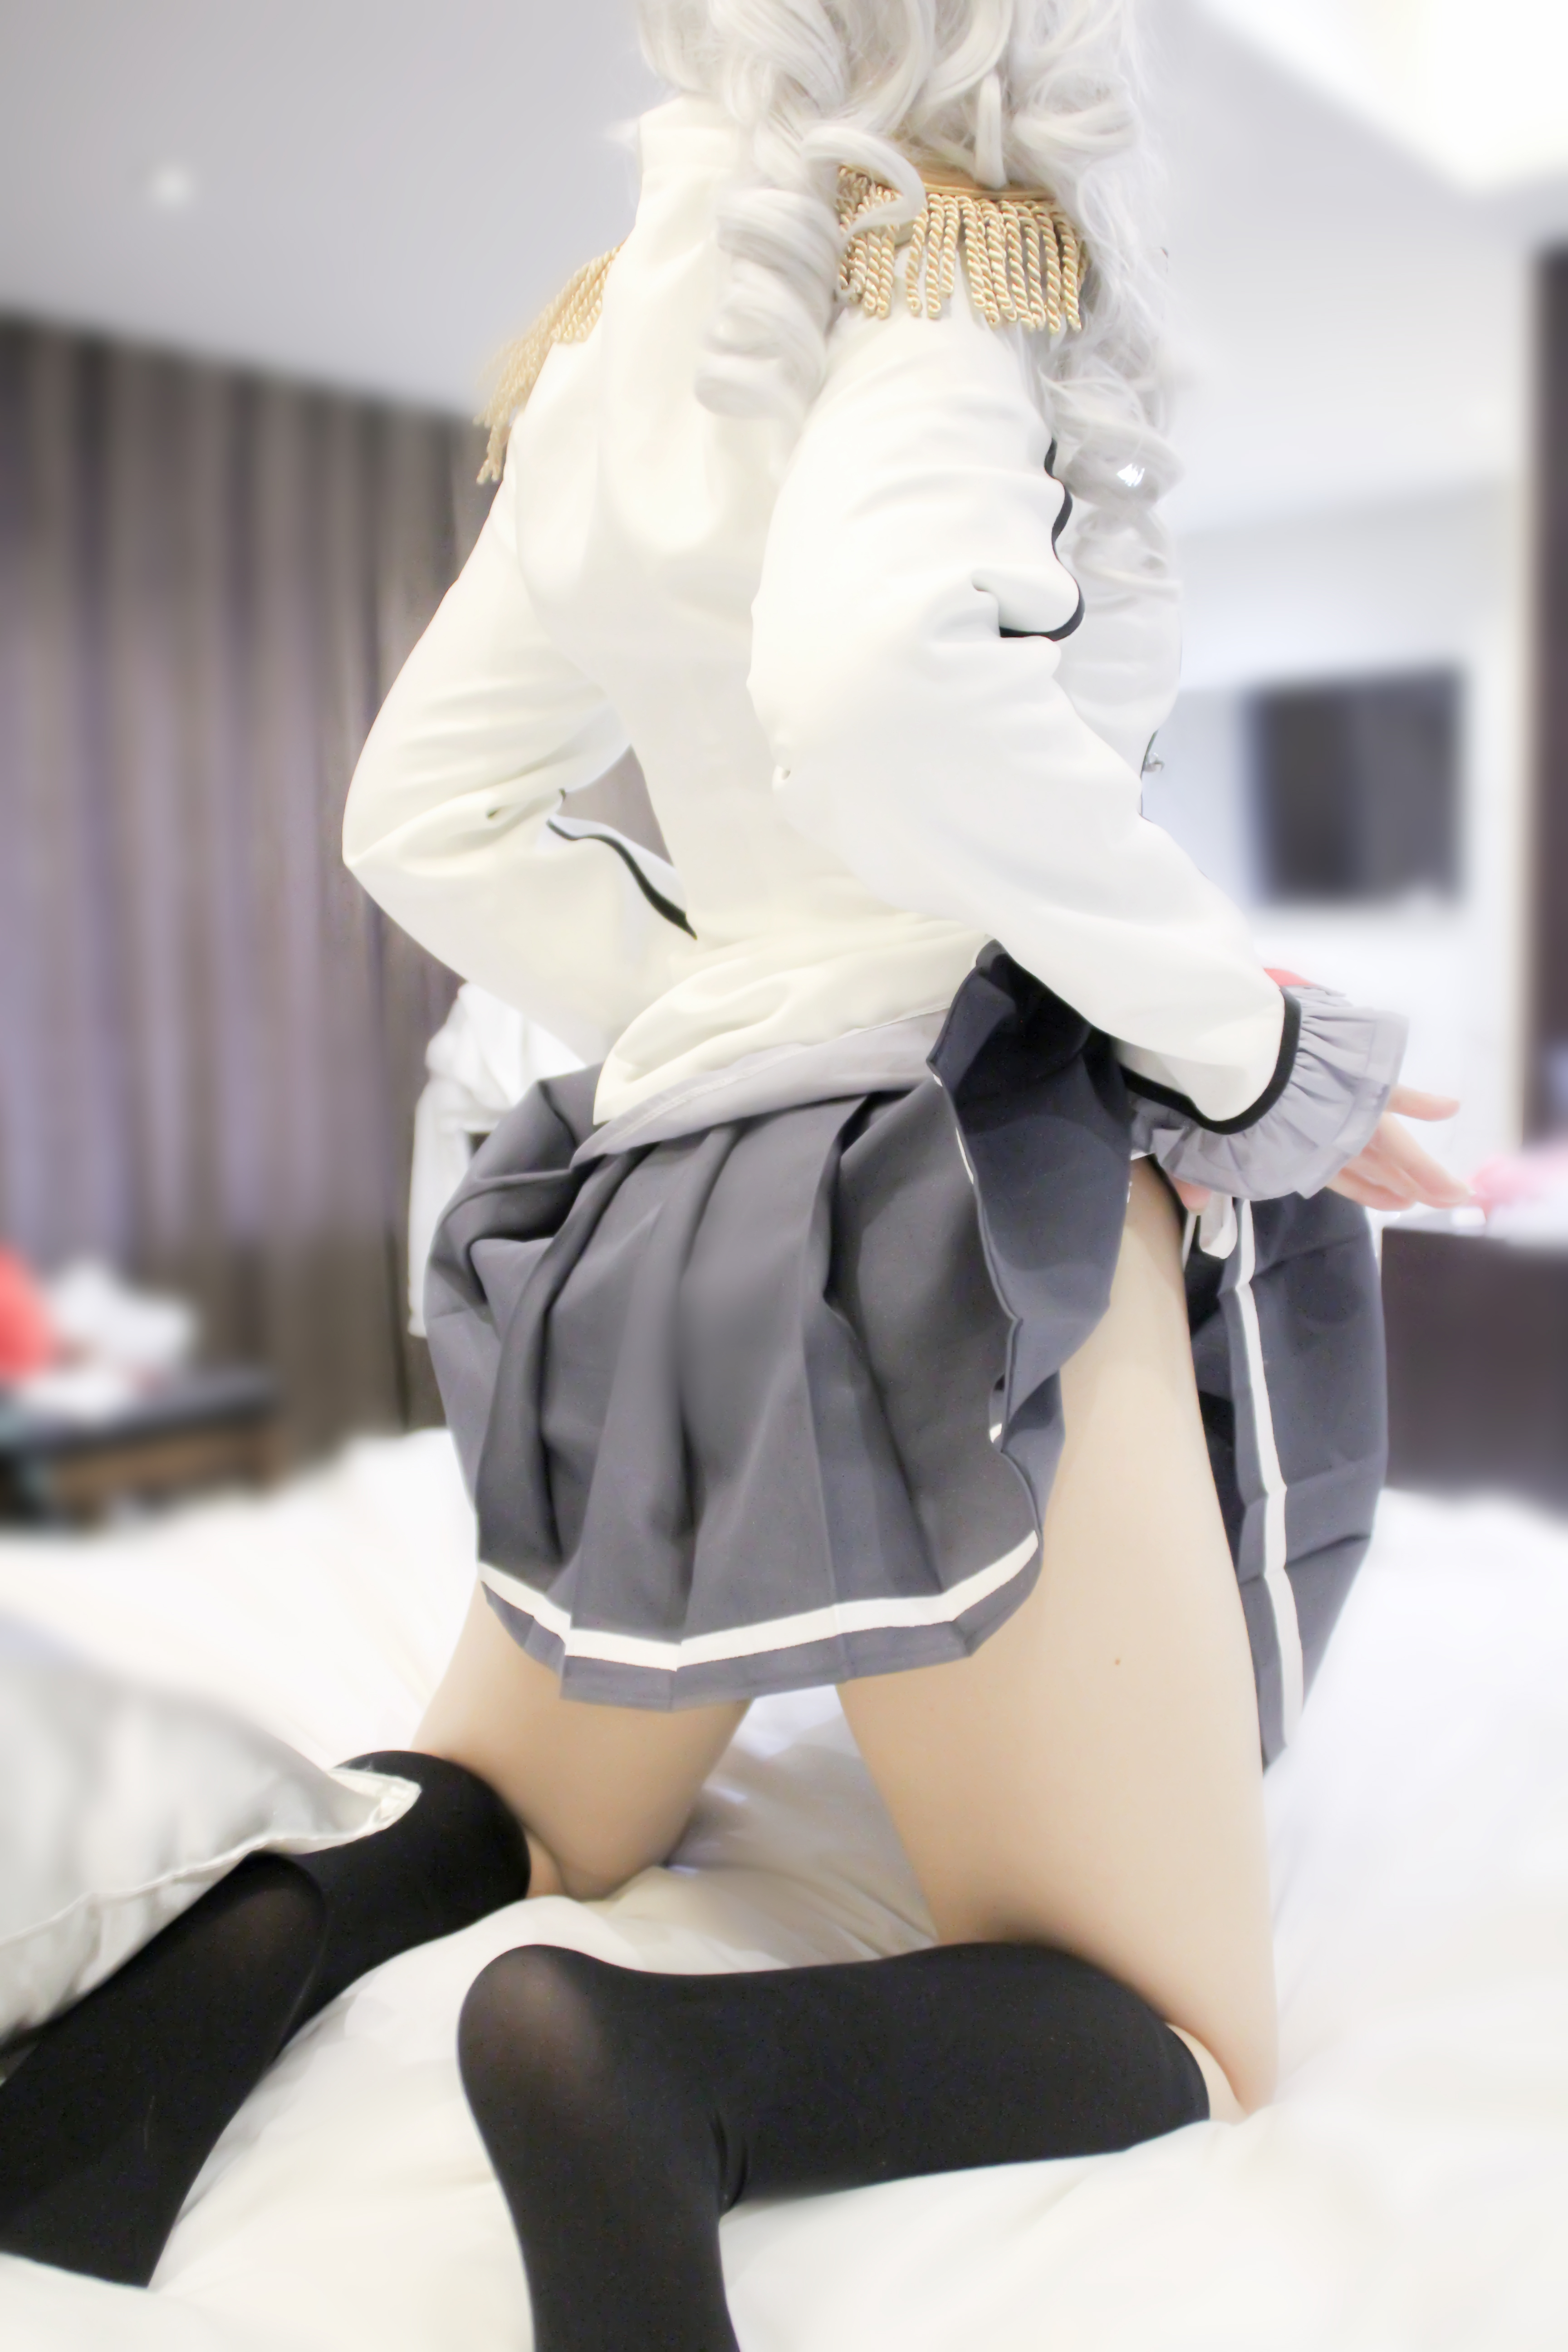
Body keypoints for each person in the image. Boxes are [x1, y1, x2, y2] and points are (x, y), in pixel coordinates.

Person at [0, 2, 1467, 2337]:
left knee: (518, 1812)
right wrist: (1248, 1043)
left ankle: (145, 2057)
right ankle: (656, 2080)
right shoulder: (965, 254)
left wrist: (725, 999)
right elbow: (888, 684)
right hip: (952, 1196)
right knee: (1188, 2027)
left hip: (659, 1207)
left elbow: (421, 817)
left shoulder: (618, 336)